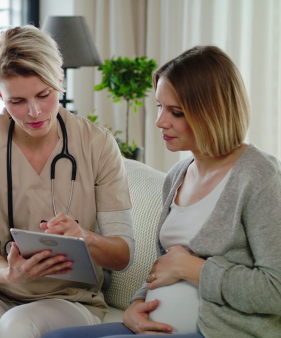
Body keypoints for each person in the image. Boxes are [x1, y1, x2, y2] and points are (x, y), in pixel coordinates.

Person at [42, 45, 281, 338]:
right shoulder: (178, 175)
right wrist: (136, 305)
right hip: (155, 325)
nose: (160, 122)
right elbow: (162, 267)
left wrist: (193, 268)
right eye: (159, 106)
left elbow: (275, 290)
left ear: (213, 112)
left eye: (176, 112)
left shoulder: (259, 176)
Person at [0, 25, 135, 338]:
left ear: (60, 80)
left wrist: (87, 238)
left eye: (44, 95)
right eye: (16, 101)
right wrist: (8, 272)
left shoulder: (97, 144)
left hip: (69, 297)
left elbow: (122, 256)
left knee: (17, 326)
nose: (34, 112)